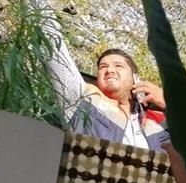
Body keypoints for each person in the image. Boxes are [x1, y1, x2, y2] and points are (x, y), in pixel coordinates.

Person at [42, 13, 168, 150]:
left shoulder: (158, 121)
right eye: (103, 67)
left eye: (118, 66)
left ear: (136, 78)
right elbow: (51, 42)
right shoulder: (83, 99)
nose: (109, 70)